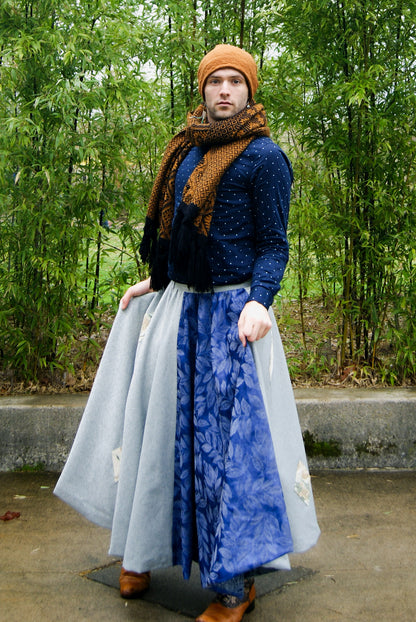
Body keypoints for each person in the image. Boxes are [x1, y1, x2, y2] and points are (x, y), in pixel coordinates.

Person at [55, 44, 320, 622]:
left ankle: (234, 586)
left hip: (233, 322)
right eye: (215, 81)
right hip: (178, 309)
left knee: (227, 454)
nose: (224, 90)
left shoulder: (265, 157)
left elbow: (275, 247)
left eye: (235, 81)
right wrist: (154, 281)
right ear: (202, 89)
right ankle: (141, 551)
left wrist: (260, 301)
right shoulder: (184, 151)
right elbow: (176, 234)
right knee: (156, 433)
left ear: (250, 91)